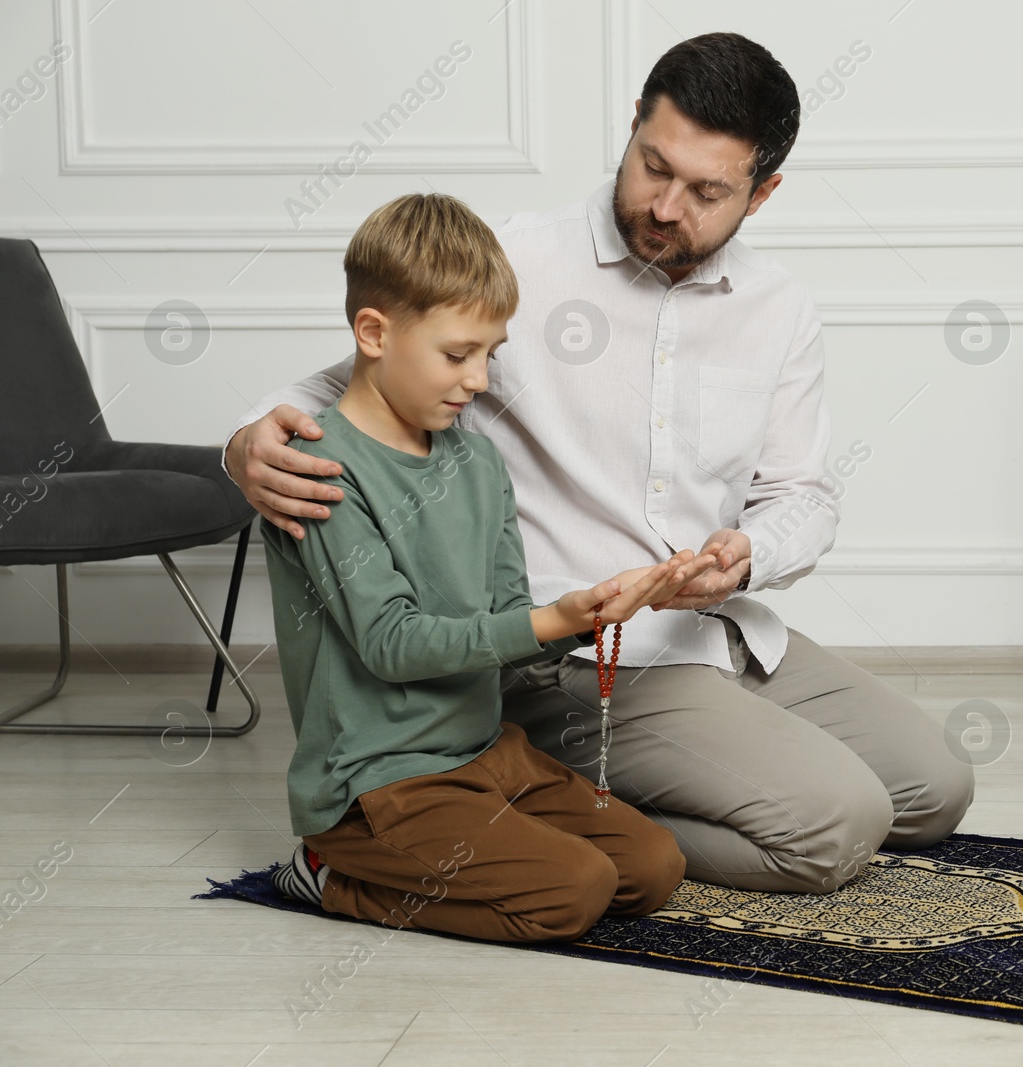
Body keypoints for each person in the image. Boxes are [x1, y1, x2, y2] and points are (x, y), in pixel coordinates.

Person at [227, 33, 974, 895]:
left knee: (934, 791)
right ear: (632, 128)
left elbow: (802, 494)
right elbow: (359, 370)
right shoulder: (519, 260)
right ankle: (563, 811)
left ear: (762, 193)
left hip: (717, 631)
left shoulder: (780, 309)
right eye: (653, 166)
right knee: (838, 829)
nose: (665, 205)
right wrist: (249, 439)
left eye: (707, 191)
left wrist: (751, 555)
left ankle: (612, 795)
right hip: (571, 660)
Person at [260, 191, 714, 941]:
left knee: (651, 866)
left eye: (490, 355)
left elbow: (505, 622)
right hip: (379, 781)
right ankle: (330, 872)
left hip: (485, 751)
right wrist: (556, 617)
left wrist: (593, 612)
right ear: (373, 332)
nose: (478, 379)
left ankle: (468, 839)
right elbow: (391, 644)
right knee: (573, 892)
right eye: (456, 354)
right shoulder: (320, 469)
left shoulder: (477, 461)